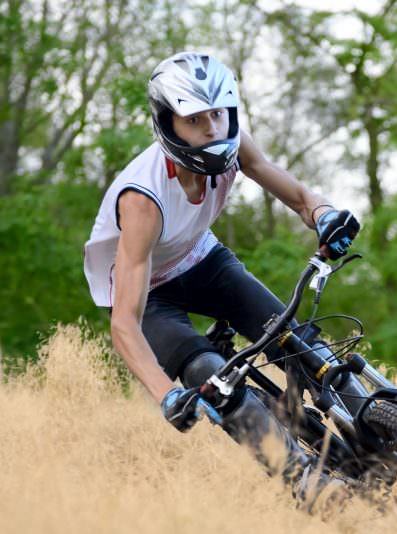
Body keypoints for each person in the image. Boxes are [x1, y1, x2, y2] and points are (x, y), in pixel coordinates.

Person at [83, 51, 360, 504]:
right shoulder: (143, 199)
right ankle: (305, 481)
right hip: (150, 294)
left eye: (218, 113)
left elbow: (286, 186)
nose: (211, 128)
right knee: (211, 375)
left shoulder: (230, 143)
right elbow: (124, 323)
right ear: (168, 122)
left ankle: (377, 418)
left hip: (203, 259)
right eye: (195, 119)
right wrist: (165, 395)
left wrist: (322, 212)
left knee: (295, 339)